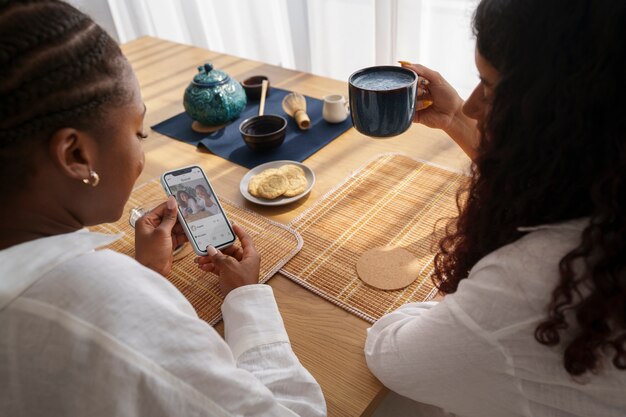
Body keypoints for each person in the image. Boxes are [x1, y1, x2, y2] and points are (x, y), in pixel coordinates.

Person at [0, 1, 325, 416]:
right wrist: (245, 298)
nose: (141, 152)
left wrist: (148, 275)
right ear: (76, 154)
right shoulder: (103, 306)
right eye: (139, 132)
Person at [365, 0, 626, 416]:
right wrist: (456, 124)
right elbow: (544, 177)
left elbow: (391, 355)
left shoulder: (538, 280)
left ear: (564, 112)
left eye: (487, 88)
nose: (470, 106)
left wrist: (451, 307)